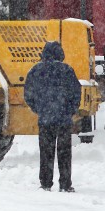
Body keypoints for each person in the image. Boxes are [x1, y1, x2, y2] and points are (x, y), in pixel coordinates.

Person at [24, 41, 81, 193]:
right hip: (63, 119)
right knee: (64, 153)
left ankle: (46, 183)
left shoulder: (35, 71)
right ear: (60, 54)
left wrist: (39, 109)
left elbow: (28, 95)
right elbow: (76, 94)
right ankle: (65, 184)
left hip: (45, 119)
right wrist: (69, 110)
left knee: (46, 152)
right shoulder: (67, 70)